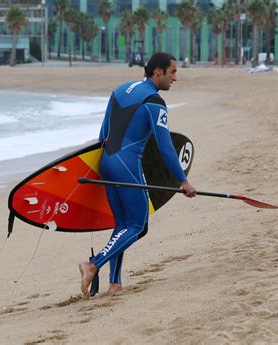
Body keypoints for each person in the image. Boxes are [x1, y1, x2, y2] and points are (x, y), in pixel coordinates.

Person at [79, 52, 197, 296]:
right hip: (128, 166)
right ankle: (93, 264)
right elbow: (165, 147)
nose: (175, 78)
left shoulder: (120, 90)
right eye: (173, 72)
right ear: (158, 72)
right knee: (137, 225)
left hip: (107, 163)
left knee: (122, 225)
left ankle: (115, 284)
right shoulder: (155, 102)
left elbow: (103, 135)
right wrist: (183, 181)